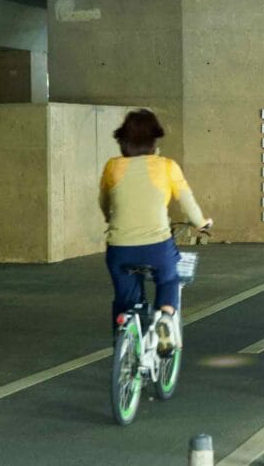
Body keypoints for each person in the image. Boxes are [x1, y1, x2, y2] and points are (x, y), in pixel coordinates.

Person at [100, 109, 212, 355]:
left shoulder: (112, 167)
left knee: (124, 298)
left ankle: (124, 342)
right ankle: (165, 318)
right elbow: (187, 202)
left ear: (123, 141)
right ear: (154, 141)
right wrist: (202, 224)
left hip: (119, 248)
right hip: (156, 246)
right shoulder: (167, 166)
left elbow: (105, 204)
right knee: (169, 277)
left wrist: (112, 218)